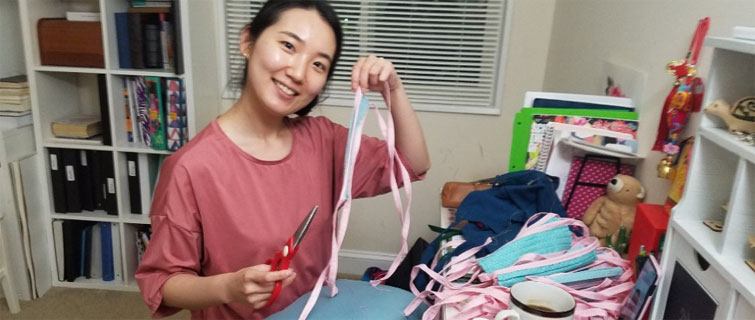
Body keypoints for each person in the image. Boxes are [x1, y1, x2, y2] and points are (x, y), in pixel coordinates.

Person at [134, 0, 430, 318]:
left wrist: (394, 91)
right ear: (248, 41)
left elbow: (413, 163)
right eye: (288, 45)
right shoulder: (190, 168)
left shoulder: (324, 140)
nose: (299, 72)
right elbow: (163, 283)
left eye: (319, 64)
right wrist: (228, 287)